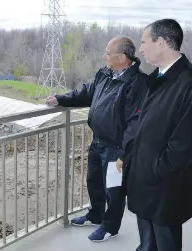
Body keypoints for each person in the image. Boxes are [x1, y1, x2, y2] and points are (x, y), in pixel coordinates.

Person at [46, 36, 148, 242]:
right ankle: (95, 215)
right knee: (94, 182)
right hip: (98, 142)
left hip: (116, 148)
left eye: (107, 53)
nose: (104, 56)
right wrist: (61, 99)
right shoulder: (105, 74)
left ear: (121, 57)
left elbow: (136, 122)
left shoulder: (137, 83)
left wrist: (123, 153)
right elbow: (87, 93)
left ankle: (110, 227)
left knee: (114, 190)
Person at [122, 19, 192, 251]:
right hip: (145, 181)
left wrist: (155, 171)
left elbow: (184, 146)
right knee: (147, 243)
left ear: (161, 42)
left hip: (165, 188)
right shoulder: (158, 78)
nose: (140, 49)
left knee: (165, 244)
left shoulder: (191, 84)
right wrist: (131, 157)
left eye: (144, 42)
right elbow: (143, 125)